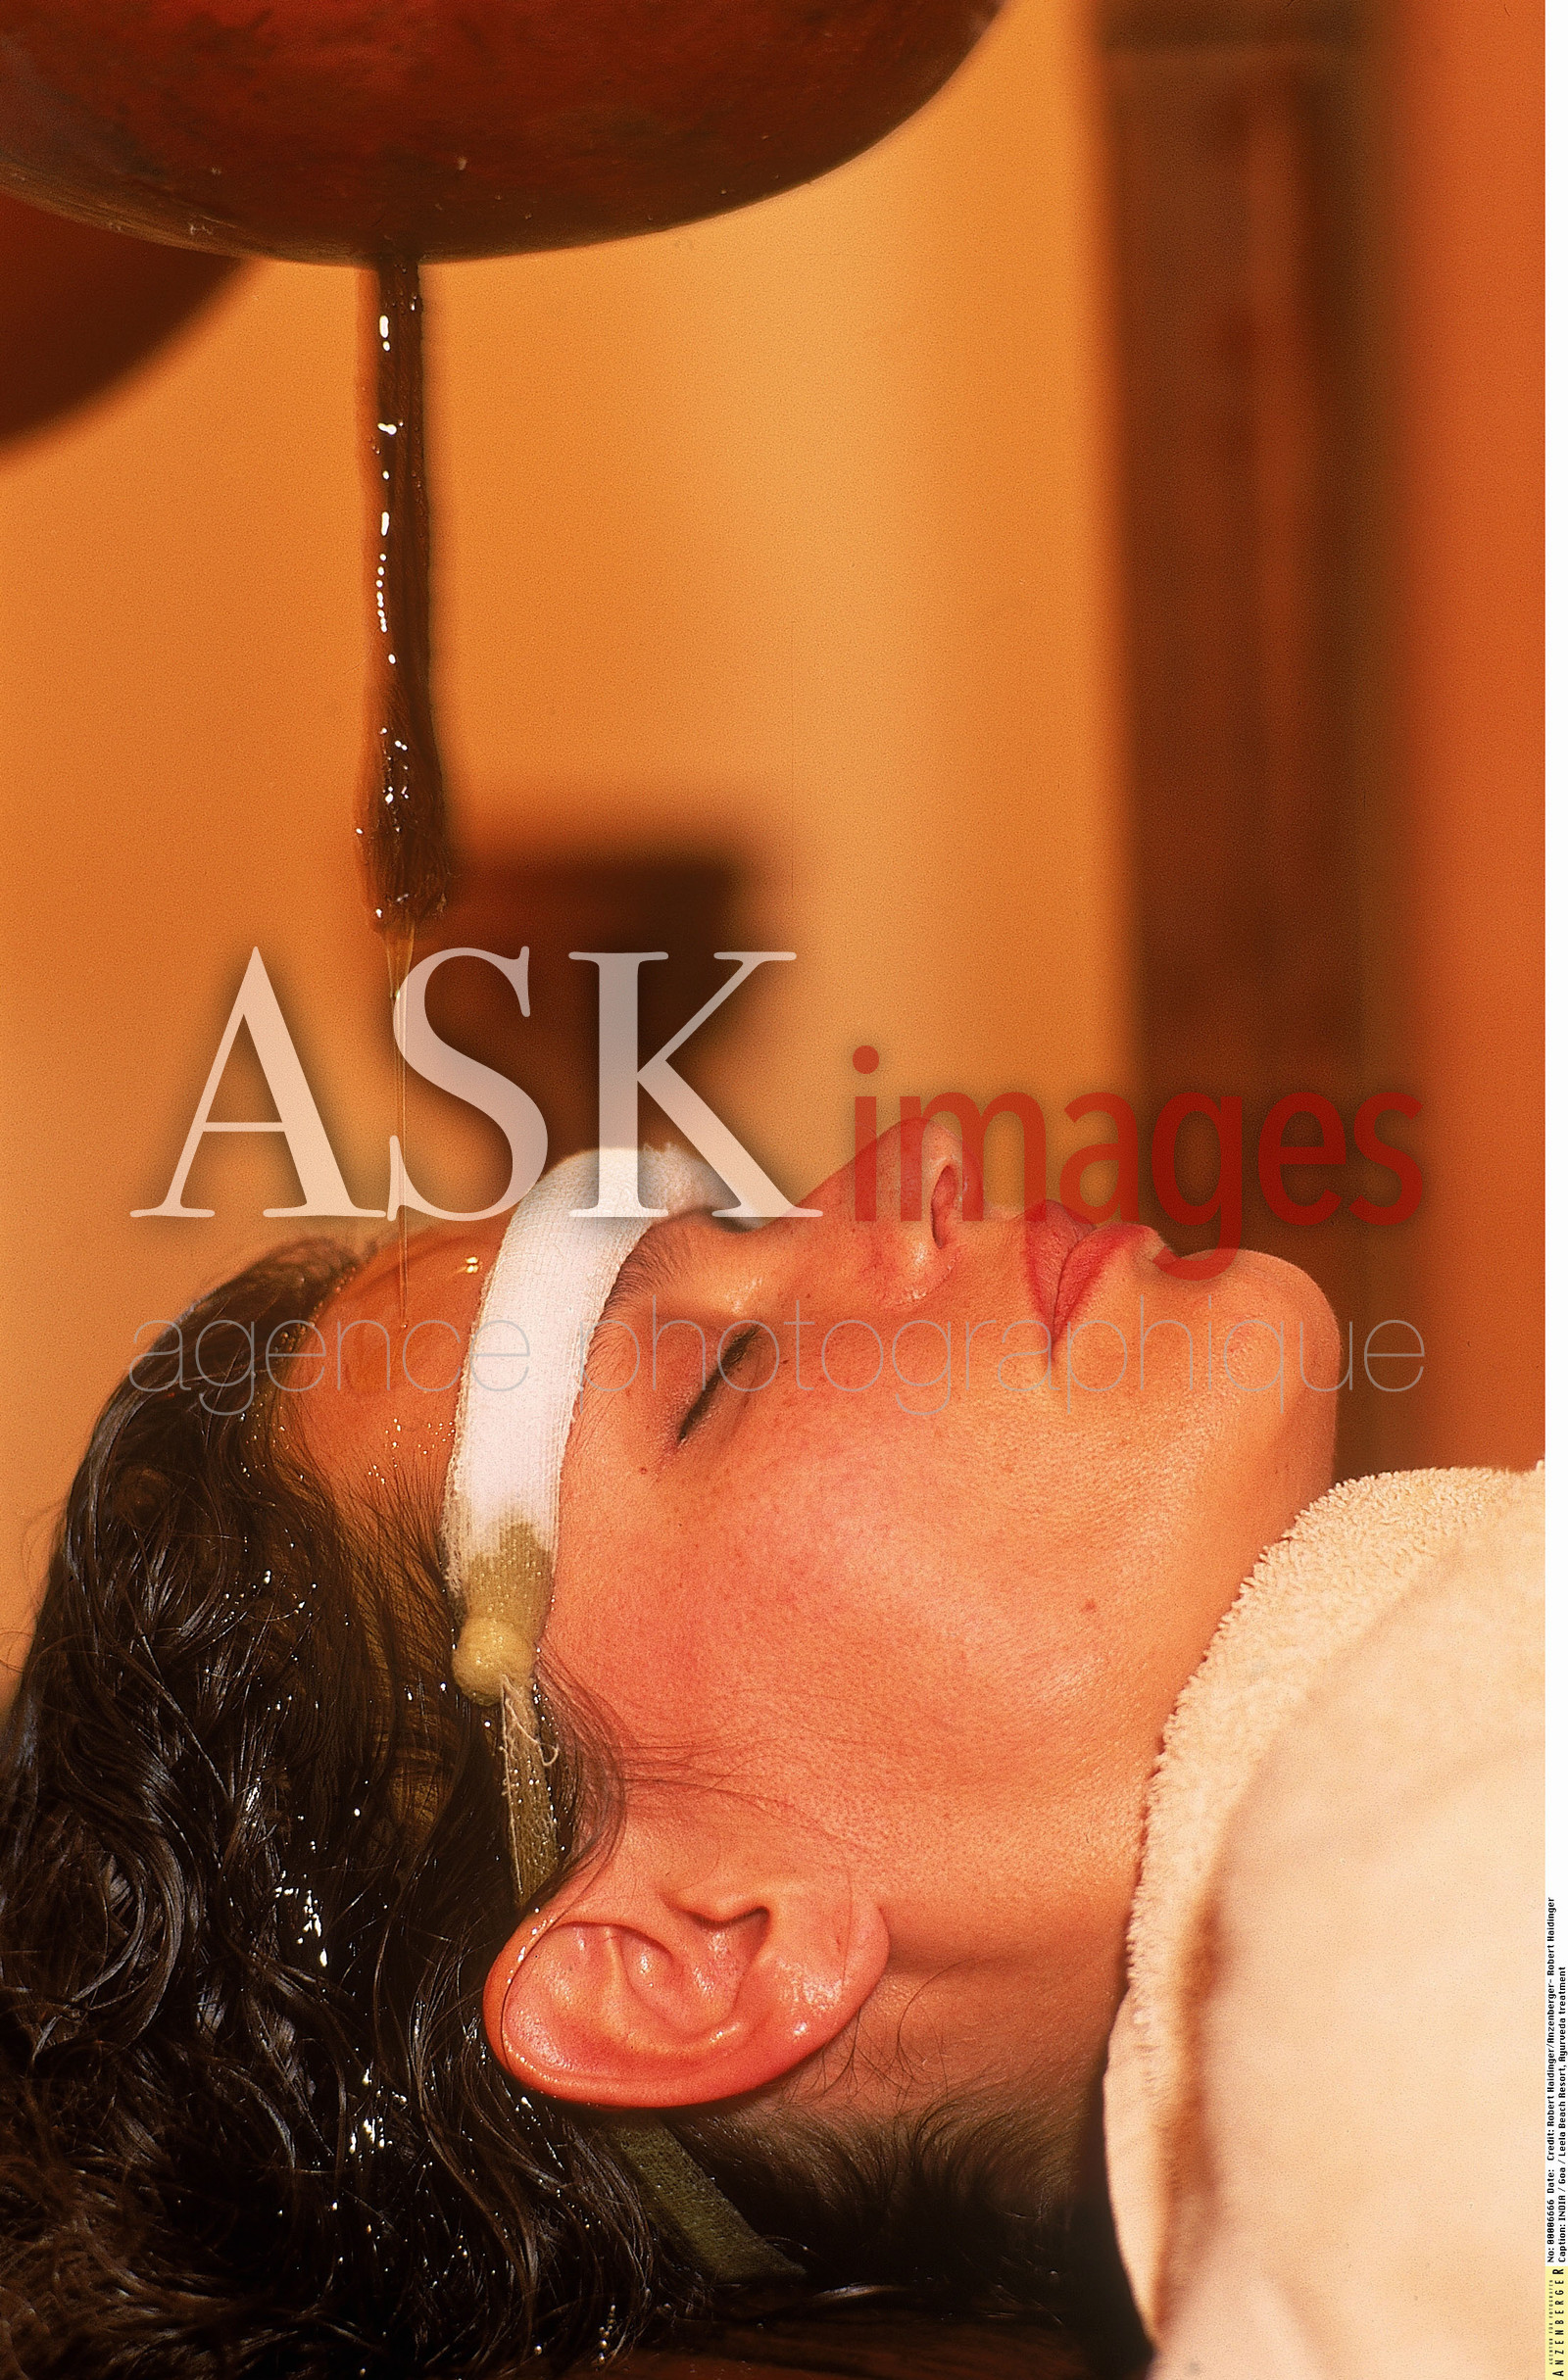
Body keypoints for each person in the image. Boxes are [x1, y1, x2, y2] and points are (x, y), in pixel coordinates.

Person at [0, 1129, 1538, 2377]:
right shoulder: (1464, 2114)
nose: (913, 1161)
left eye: (740, 1216)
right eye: (719, 1374)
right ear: (696, 1956)